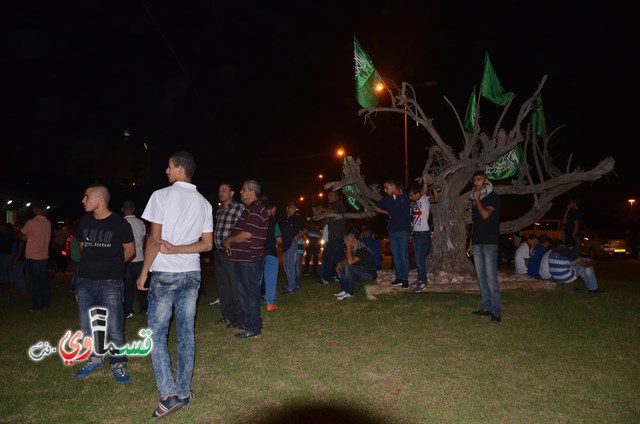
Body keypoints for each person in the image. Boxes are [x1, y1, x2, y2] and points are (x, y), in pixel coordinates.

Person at [136, 151, 213, 419]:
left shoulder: (161, 196)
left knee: (157, 335)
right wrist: (180, 248)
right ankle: (183, 392)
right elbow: (207, 244)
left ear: (180, 169)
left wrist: (144, 271)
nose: (166, 171)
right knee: (185, 333)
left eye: (169, 166)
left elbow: (155, 241)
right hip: (191, 273)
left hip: (166, 274)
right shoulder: (205, 203)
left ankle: (169, 395)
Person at [74, 184, 135, 384]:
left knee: (115, 326)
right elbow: (83, 248)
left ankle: (118, 361)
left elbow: (130, 251)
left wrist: (112, 268)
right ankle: (95, 358)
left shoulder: (120, 224)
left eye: (86, 196)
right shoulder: (84, 221)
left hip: (111, 282)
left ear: (99, 199)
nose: (83, 200)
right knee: (87, 325)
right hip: (84, 281)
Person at [223, 180, 269, 339]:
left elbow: (247, 234)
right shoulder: (251, 209)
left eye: (243, 190)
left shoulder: (256, 209)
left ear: (251, 191)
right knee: (246, 293)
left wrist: (229, 240)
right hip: (244, 259)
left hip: (249, 259)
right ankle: (252, 321)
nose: (241, 192)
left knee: (249, 294)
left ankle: (252, 327)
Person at [469, 170, 502, 324]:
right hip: (477, 242)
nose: (476, 183)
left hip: (490, 241)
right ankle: (487, 307)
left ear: (486, 180)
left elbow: (485, 215)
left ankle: (496, 312)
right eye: (474, 180)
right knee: (480, 276)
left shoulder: (493, 197)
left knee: (490, 277)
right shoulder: (477, 200)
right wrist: (470, 242)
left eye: (479, 179)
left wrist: (477, 200)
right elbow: (475, 223)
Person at [212, 183, 245, 328]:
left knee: (235, 287)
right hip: (218, 253)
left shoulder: (239, 208)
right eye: (219, 190)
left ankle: (239, 318)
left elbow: (245, 228)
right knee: (223, 286)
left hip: (232, 253)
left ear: (232, 193)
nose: (221, 193)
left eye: (224, 190)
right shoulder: (219, 210)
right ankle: (228, 315)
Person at [373, 179, 412, 289]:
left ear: (393, 186)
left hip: (404, 230)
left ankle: (405, 279)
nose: (385, 190)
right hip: (392, 230)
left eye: (386, 187)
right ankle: (399, 277)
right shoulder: (386, 199)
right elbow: (375, 207)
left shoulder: (405, 196)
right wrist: (386, 212)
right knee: (395, 255)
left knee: (403, 254)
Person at [408, 176, 440, 293]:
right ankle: (420, 279)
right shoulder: (416, 202)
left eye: (412, 195)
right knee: (419, 258)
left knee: (420, 258)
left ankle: (423, 282)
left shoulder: (425, 199)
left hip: (423, 233)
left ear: (418, 193)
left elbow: (436, 199)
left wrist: (433, 187)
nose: (411, 197)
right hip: (416, 233)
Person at [20, 205, 52, 310]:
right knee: (43, 281)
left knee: (35, 282)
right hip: (44, 255)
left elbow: (21, 234)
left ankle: (37, 305)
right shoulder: (48, 223)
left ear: (34, 210)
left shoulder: (31, 223)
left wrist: (24, 236)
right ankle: (46, 303)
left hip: (33, 257)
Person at [313, 191, 346, 284]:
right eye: (328, 196)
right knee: (338, 258)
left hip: (337, 237)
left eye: (331, 195)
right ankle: (337, 276)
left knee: (327, 256)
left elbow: (336, 212)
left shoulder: (339, 204)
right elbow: (327, 220)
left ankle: (328, 278)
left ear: (337, 197)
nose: (329, 197)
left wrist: (322, 209)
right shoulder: (334, 206)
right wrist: (318, 213)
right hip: (335, 237)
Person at [334, 231, 378, 300]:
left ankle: (350, 293)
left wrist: (348, 247)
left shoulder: (362, 248)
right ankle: (345, 291)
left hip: (369, 274)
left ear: (354, 240)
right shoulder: (355, 247)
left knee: (348, 267)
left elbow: (350, 262)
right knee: (342, 267)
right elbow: (347, 260)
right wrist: (339, 264)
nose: (346, 243)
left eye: (348, 241)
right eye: (346, 241)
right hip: (361, 272)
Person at [122, 200, 147, 318]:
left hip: (126, 258)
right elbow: (143, 241)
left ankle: (128, 311)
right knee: (141, 285)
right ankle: (144, 308)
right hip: (140, 257)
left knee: (127, 287)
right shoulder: (140, 223)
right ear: (133, 209)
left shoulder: (120, 223)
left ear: (122, 209)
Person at [280, 201, 306, 295]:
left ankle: (291, 288)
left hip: (292, 244)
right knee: (286, 266)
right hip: (285, 244)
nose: (293, 210)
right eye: (291, 208)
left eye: (294, 208)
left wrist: (297, 236)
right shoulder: (283, 218)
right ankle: (291, 285)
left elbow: (305, 229)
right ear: (287, 208)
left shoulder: (297, 218)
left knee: (291, 266)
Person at [262, 199, 282, 312]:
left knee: (257, 279)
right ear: (269, 210)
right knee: (270, 279)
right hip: (271, 253)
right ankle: (270, 303)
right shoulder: (273, 223)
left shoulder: (255, 222)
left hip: (258, 254)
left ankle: (253, 303)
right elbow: (279, 240)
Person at [11, 221, 26, 295]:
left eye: (16, 226)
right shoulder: (16, 235)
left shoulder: (21, 235)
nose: (14, 227)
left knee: (18, 274)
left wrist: (16, 258)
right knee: (17, 274)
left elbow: (20, 248)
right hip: (18, 257)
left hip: (20, 258)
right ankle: (21, 290)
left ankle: (22, 290)